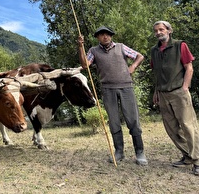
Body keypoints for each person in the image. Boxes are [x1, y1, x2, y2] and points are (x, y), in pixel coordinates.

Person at [78, 26, 148, 165]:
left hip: (126, 87)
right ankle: (119, 152)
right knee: (114, 121)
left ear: (111, 36)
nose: (105, 37)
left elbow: (140, 56)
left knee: (132, 119)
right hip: (108, 89)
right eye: (102, 35)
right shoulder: (93, 51)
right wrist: (80, 46)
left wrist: (132, 67)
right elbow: (85, 65)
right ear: (97, 37)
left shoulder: (121, 47)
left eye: (108, 34)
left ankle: (140, 152)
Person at [150, 20, 199, 176]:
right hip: (163, 94)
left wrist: (185, 87)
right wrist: (156, 91)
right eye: (156, 30)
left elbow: (189, 67)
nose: (158, 32)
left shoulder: (180, 45)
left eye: (161, 29)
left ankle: (197, 160)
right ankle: (187, 156)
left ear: (169, 30)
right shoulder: (154, 50)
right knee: (171, 128)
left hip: (179, 92)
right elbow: (156, 73)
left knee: (188, 126)